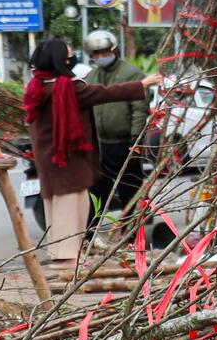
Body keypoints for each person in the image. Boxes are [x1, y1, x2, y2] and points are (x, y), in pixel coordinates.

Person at [23, 37, 161, 266]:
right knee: (71, 205)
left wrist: (135, 138)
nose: (71, 58)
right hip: (67, 155)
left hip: (46, 154)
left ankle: (60, 251)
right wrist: (142, 84)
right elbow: (105, 93)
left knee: (56, 203)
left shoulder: (37, 85)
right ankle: (68, 256)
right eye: (67, 55)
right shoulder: (67, 87)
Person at [81, 30, 149, 219]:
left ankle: (131, 230)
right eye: (96, 54)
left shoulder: (132, 73)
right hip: (99, 144)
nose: (100, 56)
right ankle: (92, 230)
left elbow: (139, 109)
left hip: (124, 143)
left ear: (114, 50)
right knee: (97, 190)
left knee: (129, 188)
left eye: (104, 52)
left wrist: (135, 140)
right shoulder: (91, 76)